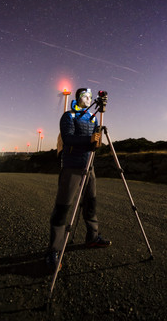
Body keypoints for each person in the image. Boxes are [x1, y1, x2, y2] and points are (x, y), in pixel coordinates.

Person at [46, 87, 111, 269]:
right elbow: (68, 138)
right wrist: (90, 139)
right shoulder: (69, 116)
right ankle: (54, 250)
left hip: (89, 166)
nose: (89, 99)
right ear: (77, 98)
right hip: (72, 167)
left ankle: (92, 237)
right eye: (85, 96)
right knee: (63, 207)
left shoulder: (94, 117)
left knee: (91, 203)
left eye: (91, 97)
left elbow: (94, 142)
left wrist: (97, 141)